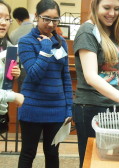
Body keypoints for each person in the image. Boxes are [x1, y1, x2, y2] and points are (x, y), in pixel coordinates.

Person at [72, 0, 119, 167]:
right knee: (92, 161)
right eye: (107, 8)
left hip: (114, 108)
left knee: (113, 162)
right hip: (92, 107)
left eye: (117, 9)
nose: (112, 13)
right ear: (95, 6)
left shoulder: (113, 31)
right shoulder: (87, 31)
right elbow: (91, 76)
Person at [17, 0, 73, 167]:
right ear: (36, 17)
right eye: (46, 19)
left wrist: (69, 107)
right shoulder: (26, 41)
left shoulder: (61, 42)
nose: (51, 24)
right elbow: (34, 75)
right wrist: (46, 48)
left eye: (55, 20)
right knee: (28, 152)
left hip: (57, 107)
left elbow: (65, 77)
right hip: (32, 106)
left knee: (52, 153)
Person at [0, 0, 24, 134]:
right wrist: (13, 96)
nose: (3, 22)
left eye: (7, 18)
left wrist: (14, 72)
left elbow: (5, 82)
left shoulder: (8, 47)